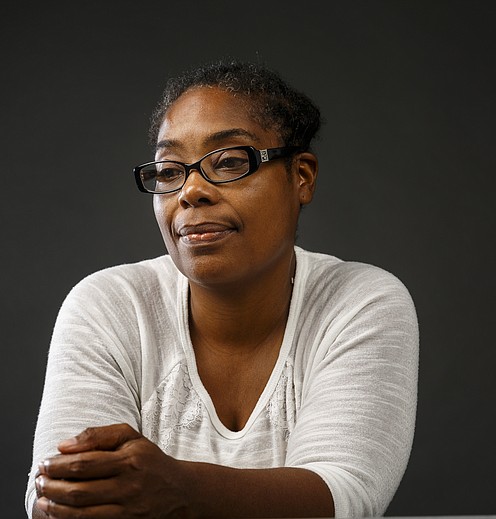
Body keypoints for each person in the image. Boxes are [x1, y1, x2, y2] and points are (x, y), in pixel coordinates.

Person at [25, 60, 419, 518]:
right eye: (169, 171)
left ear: (302, 177)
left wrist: (181, 489)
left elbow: (345, 497)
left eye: (230, 162)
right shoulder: (110, 306)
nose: (190, 191)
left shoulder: (360, 302)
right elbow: (58, 496)